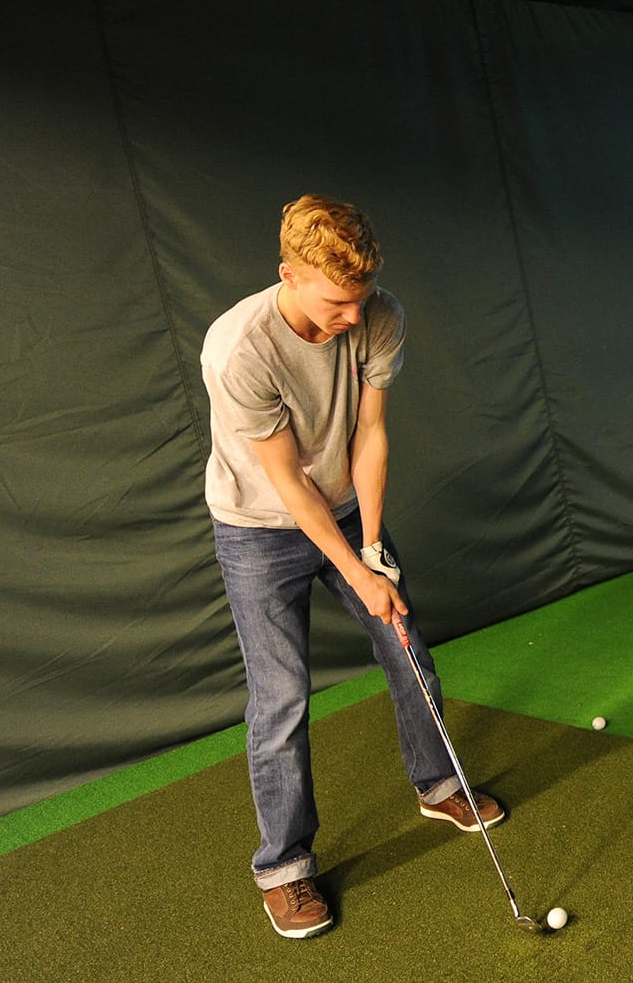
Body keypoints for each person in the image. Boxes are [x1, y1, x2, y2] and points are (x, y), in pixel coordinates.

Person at [201, 194, 503, 939]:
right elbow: (289, 485)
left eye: (360, 300)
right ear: (289, 275)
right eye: (338, 302)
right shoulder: (239, 350)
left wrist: (372, 549)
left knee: (405, 643)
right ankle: (284, 866)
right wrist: (358, 570)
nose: (352, 318)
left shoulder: (380, 314)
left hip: (343, 507)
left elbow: (369, 433)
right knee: (281, 694)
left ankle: (439, 782)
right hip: (258, 525)